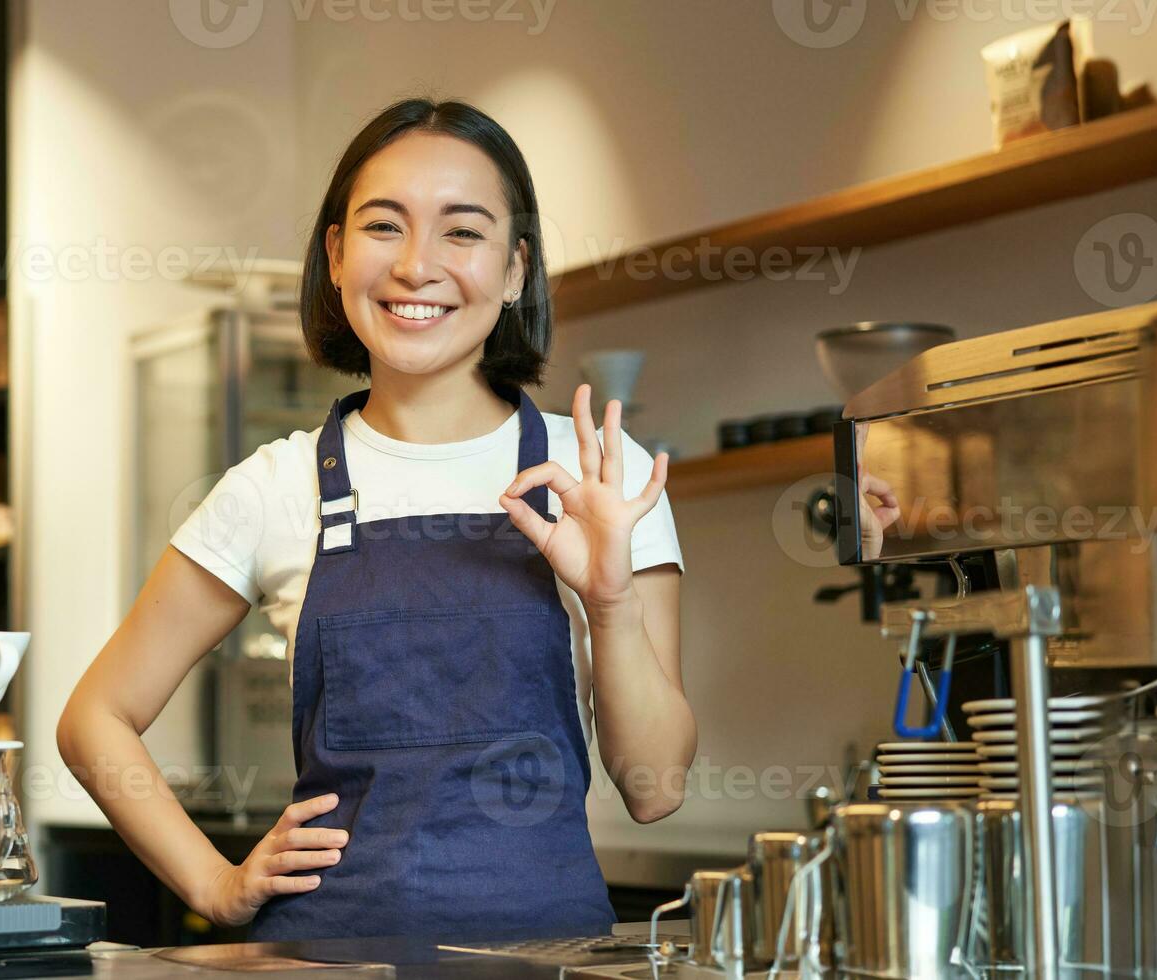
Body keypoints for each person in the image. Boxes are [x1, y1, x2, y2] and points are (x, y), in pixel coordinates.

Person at [57, 98, 694, 942]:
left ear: (514, 270)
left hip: (545, 962)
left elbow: (654, 789)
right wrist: (215, 884)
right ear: (336, 254)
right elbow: (93, 718)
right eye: (384, 226)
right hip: (323, 960)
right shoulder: (274, 486)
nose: (416, 266)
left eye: (462, 232)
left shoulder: (603, 482)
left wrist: (610, 605)